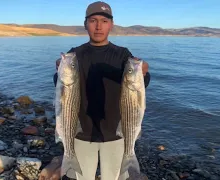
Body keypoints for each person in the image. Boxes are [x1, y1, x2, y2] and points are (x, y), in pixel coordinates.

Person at [40, 1, 150, 180]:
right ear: (85, 24)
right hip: (81, 133)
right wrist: (59, 73)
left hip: (116, 133)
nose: (98, 26)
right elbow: (60, 90)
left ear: (111, 25)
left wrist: (143, 74)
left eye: (104, 21)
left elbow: (138, 88)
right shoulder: (74, 55)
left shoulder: (122, 55)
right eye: (93, 20)